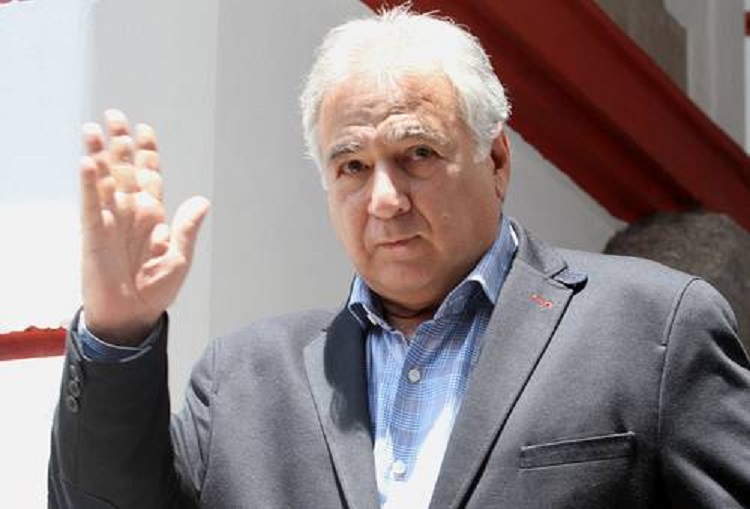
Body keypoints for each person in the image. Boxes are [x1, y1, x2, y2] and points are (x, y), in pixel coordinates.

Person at [49, 6, 750, 509]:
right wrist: (117, 330)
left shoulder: (652, 326)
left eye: (417, 153)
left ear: (496, 160)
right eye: (352, 166)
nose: (384, 198)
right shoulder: (242, 383)